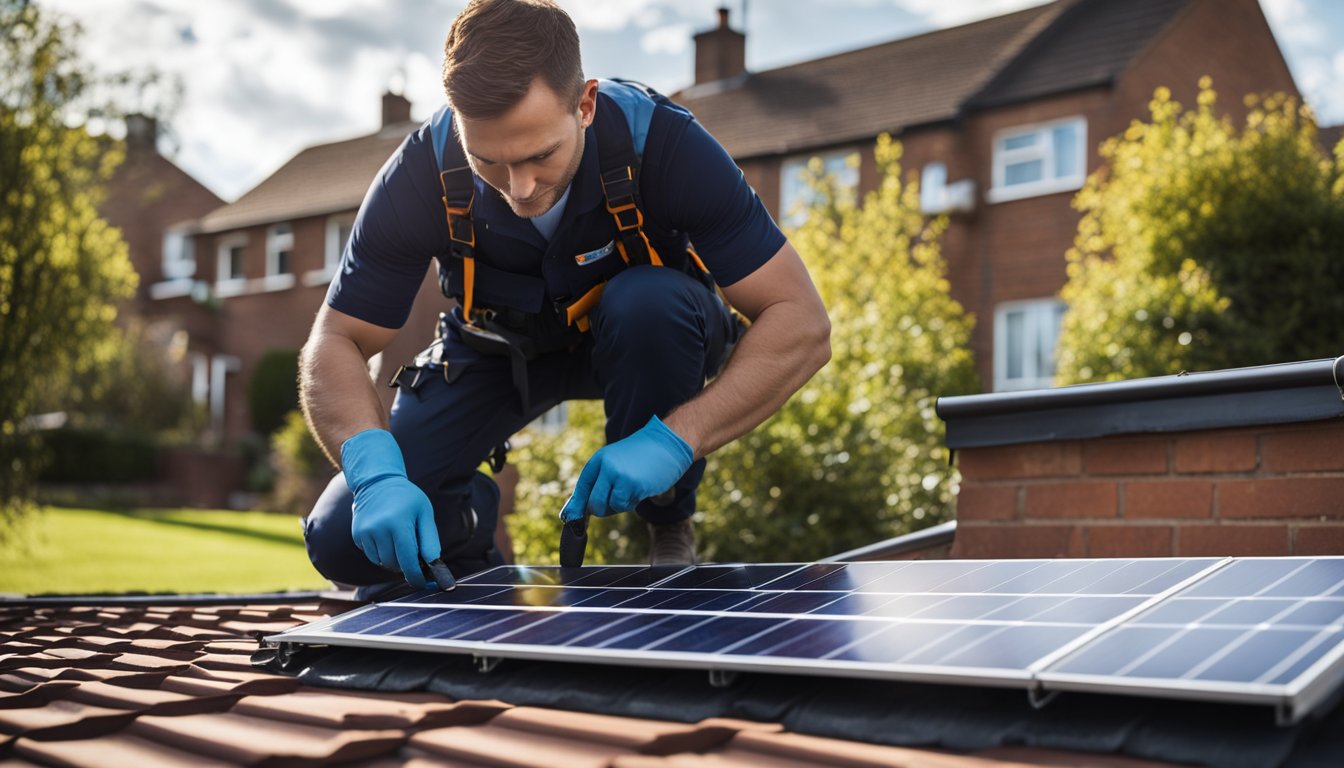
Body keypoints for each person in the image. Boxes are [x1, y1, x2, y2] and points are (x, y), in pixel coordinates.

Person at [300, 0, 830, 591]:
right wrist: (374, 475)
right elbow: (337, 339)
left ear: (586, 103)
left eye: (539, 155)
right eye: (489, 163)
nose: (519, 189)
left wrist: (676, 440)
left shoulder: (666, 144)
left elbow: (801, 322)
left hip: (641, 331)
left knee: (648, 302)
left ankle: (668, 523)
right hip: (495, 347)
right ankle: (465, 519)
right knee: (341, 540)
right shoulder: (419, 173)